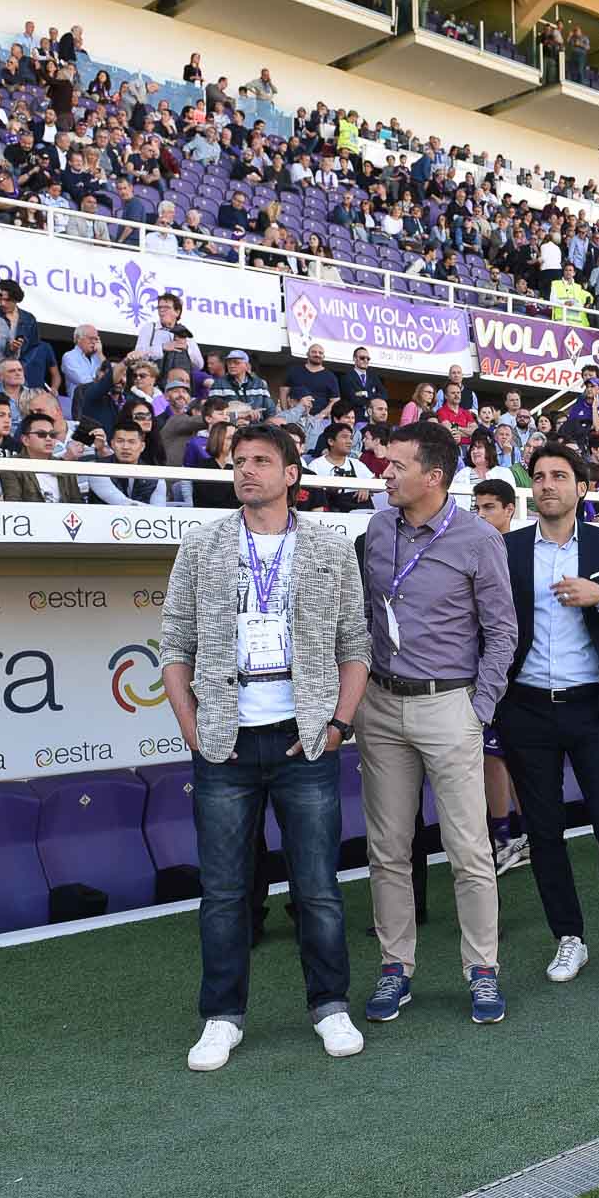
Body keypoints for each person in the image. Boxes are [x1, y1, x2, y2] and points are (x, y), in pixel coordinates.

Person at [159, 421, 372, 1072]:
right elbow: (174, 644)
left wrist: (338, 723)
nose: (246, 470)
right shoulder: (202, 544)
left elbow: (354, 645)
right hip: (224, 744)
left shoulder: (331, 548)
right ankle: (222, 1017)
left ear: (290, 473)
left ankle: (330, 1004)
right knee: (224, 892)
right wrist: (193, 728)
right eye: (239, 460)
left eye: (260, 460)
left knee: (318, 887)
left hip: (304, 741)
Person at [359, 421, 518, 1026]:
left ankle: (482, 970)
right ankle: (395, 968)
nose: (386, 473)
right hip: (381, 704)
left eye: (397, 465)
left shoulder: (478, 538)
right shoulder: (377, 528)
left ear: (434, 476)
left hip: (449, 705)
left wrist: (478, 707)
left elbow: (502, 630)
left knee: (469, 849)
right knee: (388, 848)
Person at [496, 443, 599, 1002]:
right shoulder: (509, 548)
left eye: (559, 476)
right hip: (525, 710)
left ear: (580, 488)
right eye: (540, 476)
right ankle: (569, 936)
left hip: (592, 709)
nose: (547, 484)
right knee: (544, 835)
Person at [0, 410, 85, 503]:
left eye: (52, 435)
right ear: (25, 440)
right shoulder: (11, 466)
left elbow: (77, 503)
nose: (48, 438)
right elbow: (13, 504)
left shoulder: (64, 467)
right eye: (41, 434)